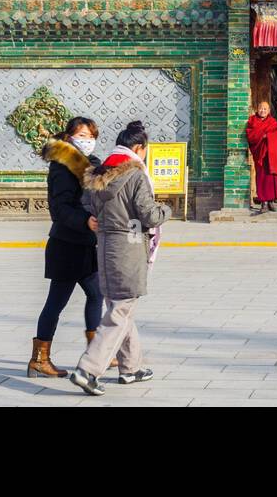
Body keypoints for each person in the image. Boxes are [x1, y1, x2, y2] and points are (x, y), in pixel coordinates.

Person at [69, 121, 170, 396]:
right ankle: (88, 369)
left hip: (105, 246)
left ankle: (131, 368)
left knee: (121, 306)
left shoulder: (100, 173)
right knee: (121, 309)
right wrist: (166, 210)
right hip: (130, 245)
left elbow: (87, 205)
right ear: (138, 148)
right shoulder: (136, 174)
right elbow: (148, 215)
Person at [27, 117, 104, 379]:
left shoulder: (92, 166)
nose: (88, 140)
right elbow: (59, 209)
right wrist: (86, 221)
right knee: (55, 304)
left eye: (91, 136)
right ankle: (40, 359)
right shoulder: (62, 167)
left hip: (86, 245)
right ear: (69, 137)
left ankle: (98, 354)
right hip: (67, 245)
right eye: (82, 135)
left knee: (97, 295)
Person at [246, 101, 277, 214]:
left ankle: (270, 202)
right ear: (257, 109)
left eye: (265, 109)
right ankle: (263, 203)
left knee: (271, 178)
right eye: (261, 108)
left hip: (271, 155)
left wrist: (267, 136)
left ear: (268, 111)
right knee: (262, 178)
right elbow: (250, 135)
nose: (262, 111)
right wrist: (261, 136)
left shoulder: (272, 122)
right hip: (261, 155)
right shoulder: (252, 120)